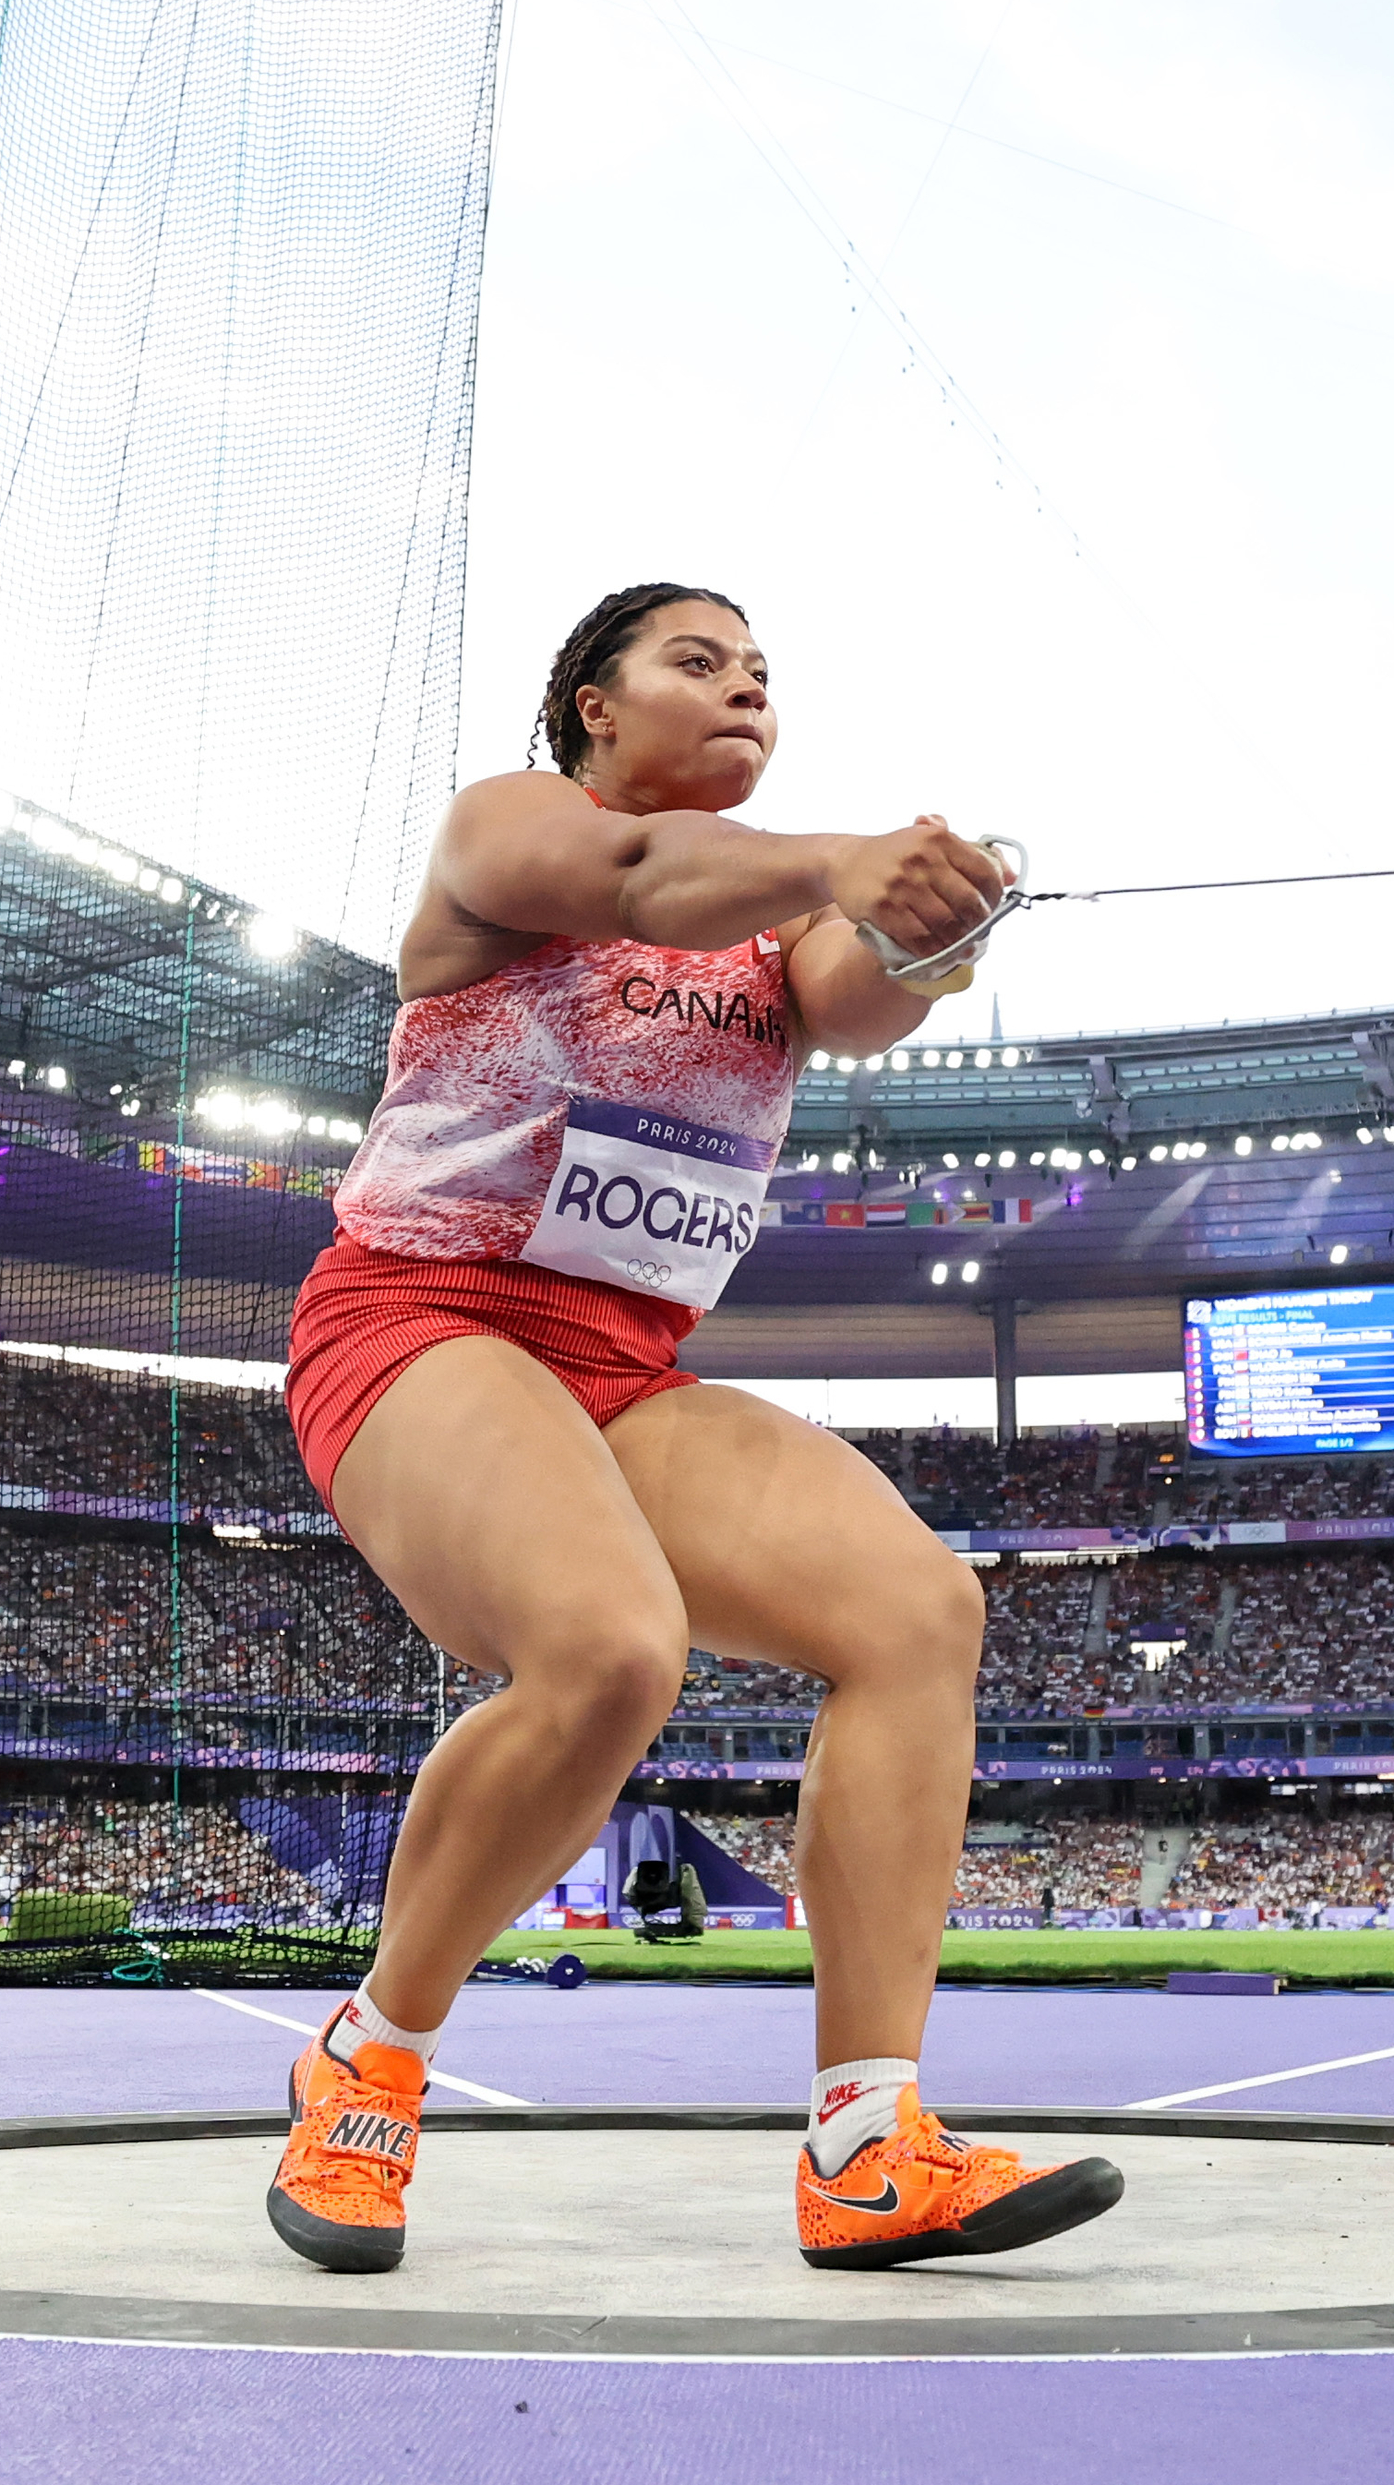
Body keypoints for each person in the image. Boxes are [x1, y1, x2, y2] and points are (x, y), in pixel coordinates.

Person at [264, 584, 1122, 2274]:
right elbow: (631, 878)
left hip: (625, 1373)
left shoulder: (769, 935)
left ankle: (872, 2145)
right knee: (607, 1649)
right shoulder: (515, 826)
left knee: (915, 1613)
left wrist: (940, 920)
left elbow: (863, 991)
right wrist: (843, 861)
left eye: (763, 675)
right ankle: (366, 2066)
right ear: (595, 702)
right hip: (422, 1321)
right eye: (698, 661)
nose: (744, 689)